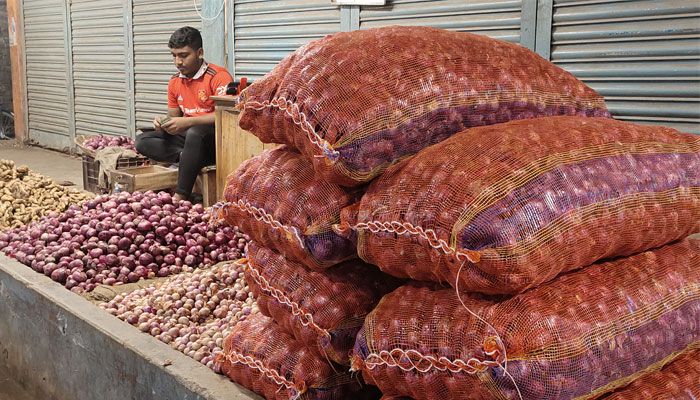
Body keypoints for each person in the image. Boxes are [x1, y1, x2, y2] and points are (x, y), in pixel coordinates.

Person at [135, 26, 233, 202]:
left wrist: (187, 122)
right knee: (143, 140)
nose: (178, 62)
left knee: (196, 133)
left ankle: (180, 196)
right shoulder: (174, 82)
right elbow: (174, 118)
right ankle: (189, 157)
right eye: (174, 56)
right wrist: (162, 122)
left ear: (200, 52)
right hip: (189, 138)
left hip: (216, 140)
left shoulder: (219, 76)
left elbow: (225, 116)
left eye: (183, 55)